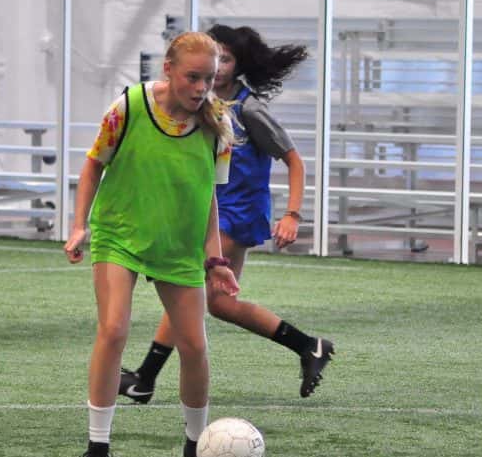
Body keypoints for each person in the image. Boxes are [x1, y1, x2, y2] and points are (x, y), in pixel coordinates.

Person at [118, 24, 334, 406]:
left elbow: (294, 160)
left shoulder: (249, 109)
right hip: (213, 210)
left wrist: (292, 214)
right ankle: (308, 346)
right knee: (220, 304)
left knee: (190, 281)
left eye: (227, 60)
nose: (217, 69)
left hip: (239, 212)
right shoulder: (200, 104)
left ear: (238, 65)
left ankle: (145, 377)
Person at [64, 31, 240, 457]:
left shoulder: (218, 123)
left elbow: (207, 196)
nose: (201, 87)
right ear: (168, 69)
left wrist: (216, 260)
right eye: (192, 77)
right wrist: (79, 224)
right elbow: (93, 164)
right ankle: (97, 450)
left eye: (209, 78)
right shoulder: (129, 107)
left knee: (195, 346)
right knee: (113, 329)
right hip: (120, 236)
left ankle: (196, 443)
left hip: (178, 246)